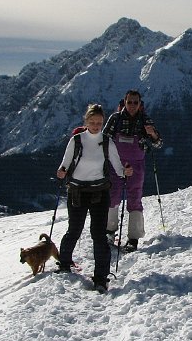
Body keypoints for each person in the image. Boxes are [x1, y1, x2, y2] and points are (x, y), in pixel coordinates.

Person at [56, 103, 132, 292]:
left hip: (99, 192)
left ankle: (100, 277)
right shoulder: (77, 140)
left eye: (99, 122)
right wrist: (61, 170)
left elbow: (117, 166)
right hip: (77, 191)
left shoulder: (107, 142)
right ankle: (64, 263)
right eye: (92, 122)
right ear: (86, 121)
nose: (96, 125)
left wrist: (125, 171)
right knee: (74, 228)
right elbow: (65, 162)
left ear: (103, 122)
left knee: (98, 234)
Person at [103, 90, 163, 252]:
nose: (132, 105)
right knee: (112, 195)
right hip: (115, 163)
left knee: (134, 198)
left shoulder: (145, 120)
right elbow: (103, 140)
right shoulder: (115, 119)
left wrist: (153, 134)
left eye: (135, 102)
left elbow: (158, 144)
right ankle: (109, 231)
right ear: (125, 101)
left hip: (136, 164)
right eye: (130, 102)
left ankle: (133, 237)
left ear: (140, 104)